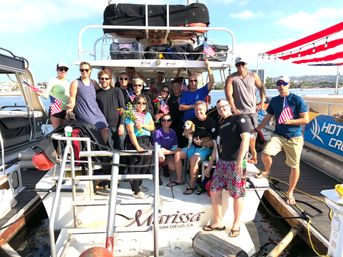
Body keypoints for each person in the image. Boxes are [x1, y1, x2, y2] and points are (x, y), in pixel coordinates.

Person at [256, 76, 309, 205]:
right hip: (279, 135)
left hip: (294, 137)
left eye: (284, 83)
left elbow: (305, 120)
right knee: (266, 153)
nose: (281, 86)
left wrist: (289, 121)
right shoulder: (274, 101)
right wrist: (257, 129)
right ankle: (267, 171)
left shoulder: (297, 100)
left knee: (294, 166)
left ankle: (290, 192)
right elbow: (268, 117)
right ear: (276, 86)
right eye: (279, 84)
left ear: (288, 85)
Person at [203, 99, 251, 237]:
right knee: (214, 190)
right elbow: (216, 147)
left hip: (236, 163)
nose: (221, 109)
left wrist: (239, 161)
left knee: (237, 194)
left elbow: (246, 139)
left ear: (229, 106)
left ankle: (236, 224)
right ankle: (218, 222)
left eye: (224, 106)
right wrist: (210, 165)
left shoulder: (239, 118)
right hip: (222, 163)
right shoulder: (222, 124)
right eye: (218, 108)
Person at [168, 100, 216, 195]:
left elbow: (214, 142)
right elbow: (187, 135)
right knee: (177, 154)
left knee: (194, 159)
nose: (198, 112)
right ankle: (179, 180)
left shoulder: (211, 122)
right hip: (192, 146)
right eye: (196, 110)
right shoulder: (192, 121)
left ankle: (192, 185)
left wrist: (202, 143)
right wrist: (188, 135)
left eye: (200, 110)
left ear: (205, 109)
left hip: (204, 148)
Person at [225, 57, 266, 164]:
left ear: (246, 64)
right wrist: (233, 109)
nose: (241, 66)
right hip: (239, 113)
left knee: (252, 135)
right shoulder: (231, 78)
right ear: (236, 66)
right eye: (238, 65)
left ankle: (254, 155)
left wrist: (262, 101)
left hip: (252, 111)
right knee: (241, 135)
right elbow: (229, 95)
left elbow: (261, 87)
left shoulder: (253, 75)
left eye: (243, 64)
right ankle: (242, 156)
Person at [66, 61, 109, 144]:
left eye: (86, 70)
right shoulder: (75, 83)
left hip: (96, 111)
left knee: (105, 127)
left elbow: (102, 92)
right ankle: (97, 149)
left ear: (90, 71)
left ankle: (102, 148)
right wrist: (69, 110)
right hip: (84, 111)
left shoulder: (94, 83)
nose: (84, 72)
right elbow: (72, 99)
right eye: (82, 70)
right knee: (93, 127)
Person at [125, 95, 155, 199]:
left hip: (146, 141)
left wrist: (142, 125)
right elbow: (130, 132)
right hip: (135, 141)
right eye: (139, 103)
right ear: (134, 104)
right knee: (136, 165)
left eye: (144, 103)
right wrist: (137, 147)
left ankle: (138, 185)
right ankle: (136, 191)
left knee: (145, 165)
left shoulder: (147, 115)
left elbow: (152, 127)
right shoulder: (130, 115)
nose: (141, 105)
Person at [96, 70, 125, 149]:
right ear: (99, 80)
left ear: (110, 80)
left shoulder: (117, 91)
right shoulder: (97, 93)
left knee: (121, 149)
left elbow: (122, 108)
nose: (104, 80)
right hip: (105, 128)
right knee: (109, 151)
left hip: (118, 126)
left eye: (106, 78)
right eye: (102, 78)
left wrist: (121, 125)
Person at [41, 62, 70, 129]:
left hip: (66, 111)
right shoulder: (53, 81)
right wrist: (40, 93)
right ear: (57, 70)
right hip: (56, 110)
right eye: (61, 69)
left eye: (65, 69)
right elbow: (46, 94)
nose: (63, 71)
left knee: (67, 133)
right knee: (57, 132)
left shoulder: (68, 82)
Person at [152, 114, 178, 184]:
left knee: (173, 167)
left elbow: (175, 147)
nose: (166, 122)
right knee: (161, 156)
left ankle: (165, 167)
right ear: (161, 122)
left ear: (171, 122)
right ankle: (156, 174)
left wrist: (171, 152)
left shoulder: (173, 132)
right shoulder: (158, 132)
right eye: (164, 120)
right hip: (160, 154)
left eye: (168, 120)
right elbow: (158, 148)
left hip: (169, 153)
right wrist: (171, 152)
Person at [168, 80, 185, 147]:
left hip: (182, 123)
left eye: (177, 86)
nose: (175, 88)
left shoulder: (183, 97)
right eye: (173, 86)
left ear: (180, 87)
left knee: (182, 143)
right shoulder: (170, 99)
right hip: (173, 124)